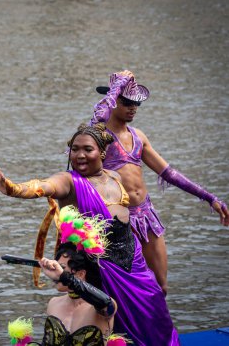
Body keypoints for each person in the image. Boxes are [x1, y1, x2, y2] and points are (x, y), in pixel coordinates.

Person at [0, 123, 180, 345]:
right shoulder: (69, 181)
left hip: (135, 267)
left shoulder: (115, 177)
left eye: (87, 149)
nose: (80, 155)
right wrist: (13, 189)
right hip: (100, 270)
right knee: (111, 327)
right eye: (75, 149)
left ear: (102, 152)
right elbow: (44, 186)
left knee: (158, 320)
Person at [89, 70, 229, 295]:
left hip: (146, 217)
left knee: (161, 287)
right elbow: (91, 126)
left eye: (137, 104)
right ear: (113, 101)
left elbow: (169, 173)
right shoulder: (98, 136)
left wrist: (209, 197)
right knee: (121, 290)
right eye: (127, 103)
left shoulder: (138, 136)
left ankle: (161, 331)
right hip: (116, 220)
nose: (133, 108)